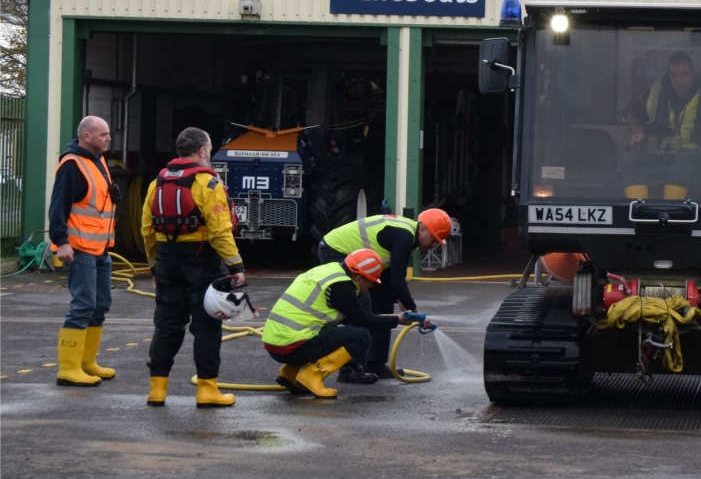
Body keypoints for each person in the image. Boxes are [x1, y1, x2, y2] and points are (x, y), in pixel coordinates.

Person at [141, 127, 245, 408]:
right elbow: (220, 231)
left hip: (166, 259)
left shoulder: (156, 184)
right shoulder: (208, 184)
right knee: (207, 326)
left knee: (166, 324)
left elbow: (147, 230)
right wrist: (236, 266)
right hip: (201, 260)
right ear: (202, 151)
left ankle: (157, 390)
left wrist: (154, 266)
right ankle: (207, 389)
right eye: (209, 150)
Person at [262, 249, 432, 397]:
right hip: (292, 346)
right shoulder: (341, 286)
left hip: (275, 344)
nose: (373, 285)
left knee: (328, 331)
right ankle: (312, 375)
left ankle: (289, 371)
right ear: (358, 278)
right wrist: (398, 320)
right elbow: (363, 319)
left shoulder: (329, 271)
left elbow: (350, 316)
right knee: (361, 337)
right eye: (371, 280)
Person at [316, 209, 451, 381]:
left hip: (350, 256)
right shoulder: (405, 237)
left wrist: (402, 300)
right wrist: (416, 312)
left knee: (384, 301)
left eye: (437, 243)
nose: (434, 246)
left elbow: (394, 281)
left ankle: (375, 363)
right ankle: (349, 369)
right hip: (335, 251)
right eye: (434, 239)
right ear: (423, 229)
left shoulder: (409, 237)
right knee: (360, 303)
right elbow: (397, 281)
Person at [48, 116, 118, 386]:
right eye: (103, 134)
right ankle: (68, 369)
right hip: (79, 249)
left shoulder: (97, 161)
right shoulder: (72, 165)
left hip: (100, 248)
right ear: (87, 136)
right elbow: (58, 207)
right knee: (83, 305)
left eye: (108, 133)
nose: (108, 138)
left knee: (101, 306)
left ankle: (87, 362)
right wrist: (61, 241)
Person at [621, 51, 701, 200]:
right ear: (668, 74)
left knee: (683, 157)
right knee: (628, 159)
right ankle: (639, 207)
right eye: (674, 75)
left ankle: (672, 210)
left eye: (684, 74)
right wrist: (638, 131)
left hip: (698, 160)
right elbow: (631, 115)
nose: (679, 81)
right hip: (659, 156)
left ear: (693, 73)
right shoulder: (654, 92)